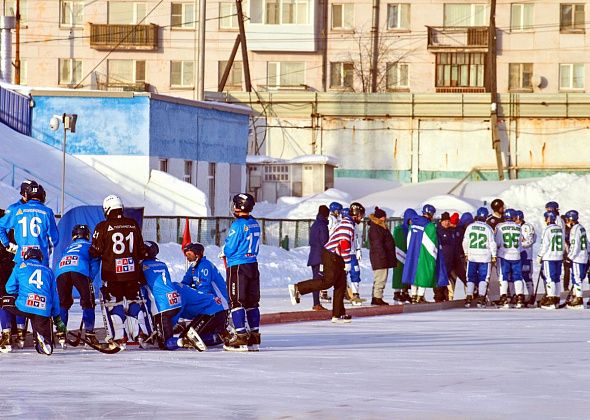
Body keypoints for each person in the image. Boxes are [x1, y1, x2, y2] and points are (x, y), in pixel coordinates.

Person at [289, 202, 366, 323]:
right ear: (357, 215)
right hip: (331, 254)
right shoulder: (348, 225)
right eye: (361, 215)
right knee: (327, 281)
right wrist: (347, 262)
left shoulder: (348, 223)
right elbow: (344, 244)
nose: (362, 218)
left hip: (336, 255)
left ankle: (338, 315)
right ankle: (298, 288)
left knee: (340, 284)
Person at [89, 194, 147, 349]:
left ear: (107, 209)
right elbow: (141, 251)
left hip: (112, 273)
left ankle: (120, 337)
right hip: (132, 273)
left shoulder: (102, 226)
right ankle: (140, 332)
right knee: (134, 301)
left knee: (115, 303)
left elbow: (95, 251)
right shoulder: (133, 224)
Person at [1, 248, 66, 355]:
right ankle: (45, 342)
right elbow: (54, 297)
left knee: (4, 301)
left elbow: (9, 288)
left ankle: (7, 337)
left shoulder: (20, 266)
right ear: (40, 258)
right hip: (43, 309)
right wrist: (57, 319)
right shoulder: (48, 270)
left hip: (24, 305)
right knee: (44, 346)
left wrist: (21, 292)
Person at [221, 193, 262, 351]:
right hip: (252, 264)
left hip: (238, 266)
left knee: (236, 301)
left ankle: (240, 336)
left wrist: (224, 250)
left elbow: (230, 248)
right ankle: (254, 337)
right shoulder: (254, 223)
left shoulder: (237, 225)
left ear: (238, 206)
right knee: (252, 303)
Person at [54, 224, 101, 345]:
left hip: (61, 270)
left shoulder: (68, 247)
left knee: (63, 303)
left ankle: (61, 332)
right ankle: (89, 333)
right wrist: (89, 277)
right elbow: (95, 262)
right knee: (88, 301)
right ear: (87, 235)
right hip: (79, 269)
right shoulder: (91, 245)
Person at [179, 242, 229, 347]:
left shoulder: (204, 265)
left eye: (189, 254)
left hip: (218, 306)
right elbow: (184, 284)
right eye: (185, 254)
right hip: (207, 305)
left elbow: (204, 290)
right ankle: (218, 333)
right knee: (183, 337)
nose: (186, 257)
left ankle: (221, 334)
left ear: (197, 254)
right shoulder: (193, 268)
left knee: (187, 337)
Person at [0, 180, 59, 267]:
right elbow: (54, 239)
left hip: (21, 256)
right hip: (26, 255)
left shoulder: (18, 209)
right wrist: (8, 245)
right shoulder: (46, 211)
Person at [140, 241, 185, 350]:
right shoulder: (162, 264)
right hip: (174, 300)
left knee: (166, 343)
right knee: (163, 332)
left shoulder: (142, 265)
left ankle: (184, 341)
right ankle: (173, 331)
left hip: (162, 305)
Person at [402, 204, 448, 303]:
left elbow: (408, 238)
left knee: (413, 274)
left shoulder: (413, 223)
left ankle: (413, 296)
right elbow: (432, 244)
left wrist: (410, 250)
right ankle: (420, 296)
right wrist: (434, 256)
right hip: (424, 254)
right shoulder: (429, 225)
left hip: (412, 253)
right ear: (431, 214)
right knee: (424, 274)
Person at [462, 207, 496, 308]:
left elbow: (465, 242)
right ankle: (481, 298)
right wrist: (494, 255)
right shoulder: (488, 228)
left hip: (472, 256)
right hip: (484, 256)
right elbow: (492, 243)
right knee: (483, 278)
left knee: (470, 277)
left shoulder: (470, 227)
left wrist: (466, 253)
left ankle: (468, 296)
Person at [494, 209, 525, 308]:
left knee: (503, 276)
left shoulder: (500, 227)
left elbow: (497, 242)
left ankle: (504, 298)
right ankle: (519, 297)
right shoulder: (518, 227)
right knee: (517, 276)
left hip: (504, 255)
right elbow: (521, 242)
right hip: (516, 254)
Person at [368, 207, 397, 305]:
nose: (385, 219)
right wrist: (382, 256)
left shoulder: (379, 227)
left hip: (382, 257)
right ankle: (377, 298)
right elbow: (377, 244)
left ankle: (376, 297)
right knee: (380, 278)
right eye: (384, 217)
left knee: (380, 278)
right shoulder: (376, 228)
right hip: (380, 257)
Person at [537, 211, 564, 310]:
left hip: (549, 257)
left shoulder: (547, 230)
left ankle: (551, 299)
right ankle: (556, 298)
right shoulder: (560, 229)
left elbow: (544, 245)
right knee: (557, 278)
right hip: (558, 256)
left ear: (548, 219)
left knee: (549, 278)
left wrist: (540, 255)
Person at [306, 205, 330, 311]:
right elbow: (325, 241)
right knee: (318, 280)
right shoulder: (322, 225)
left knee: (317, 279)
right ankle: (316, 303)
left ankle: (317, 302)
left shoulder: (315, 224)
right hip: (320, 257)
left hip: (313, 256)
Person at [391, 209, 416, 304]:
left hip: (409, 255)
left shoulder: (413, 229)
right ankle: (397, 293)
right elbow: (397, 243)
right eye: (410, 219)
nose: (412, 221)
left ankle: (405, 291)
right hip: (399, 254)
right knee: (398, 273)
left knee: (408, 273)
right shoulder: (399, 229)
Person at [564, 210, 587, 309]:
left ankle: (579, 299)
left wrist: (570, 257)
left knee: (577, 278)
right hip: (583, 256)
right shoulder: (581, 228)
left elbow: (575, 245)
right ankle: (576, 295)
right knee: (578, 278)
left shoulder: (575, 229)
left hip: (578, 257)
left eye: (567, 219)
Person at [341, 207, 364, 305]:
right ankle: (342, 294)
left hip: (352, 254)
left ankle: (355, 294)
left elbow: (357, 239)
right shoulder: (343, 225)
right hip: (344, 254)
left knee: (355, 273)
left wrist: (358, 250)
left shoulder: (355, 226)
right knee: (341, 275)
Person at [515, 210, 536, 305]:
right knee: (517, 276)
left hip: (526, 256)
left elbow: (530, 241)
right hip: (517, 256)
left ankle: (531, 295)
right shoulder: (515, 227)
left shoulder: (527, 227)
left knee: (526, 276)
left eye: (515, 218)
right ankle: (519, 295)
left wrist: (518, 245)